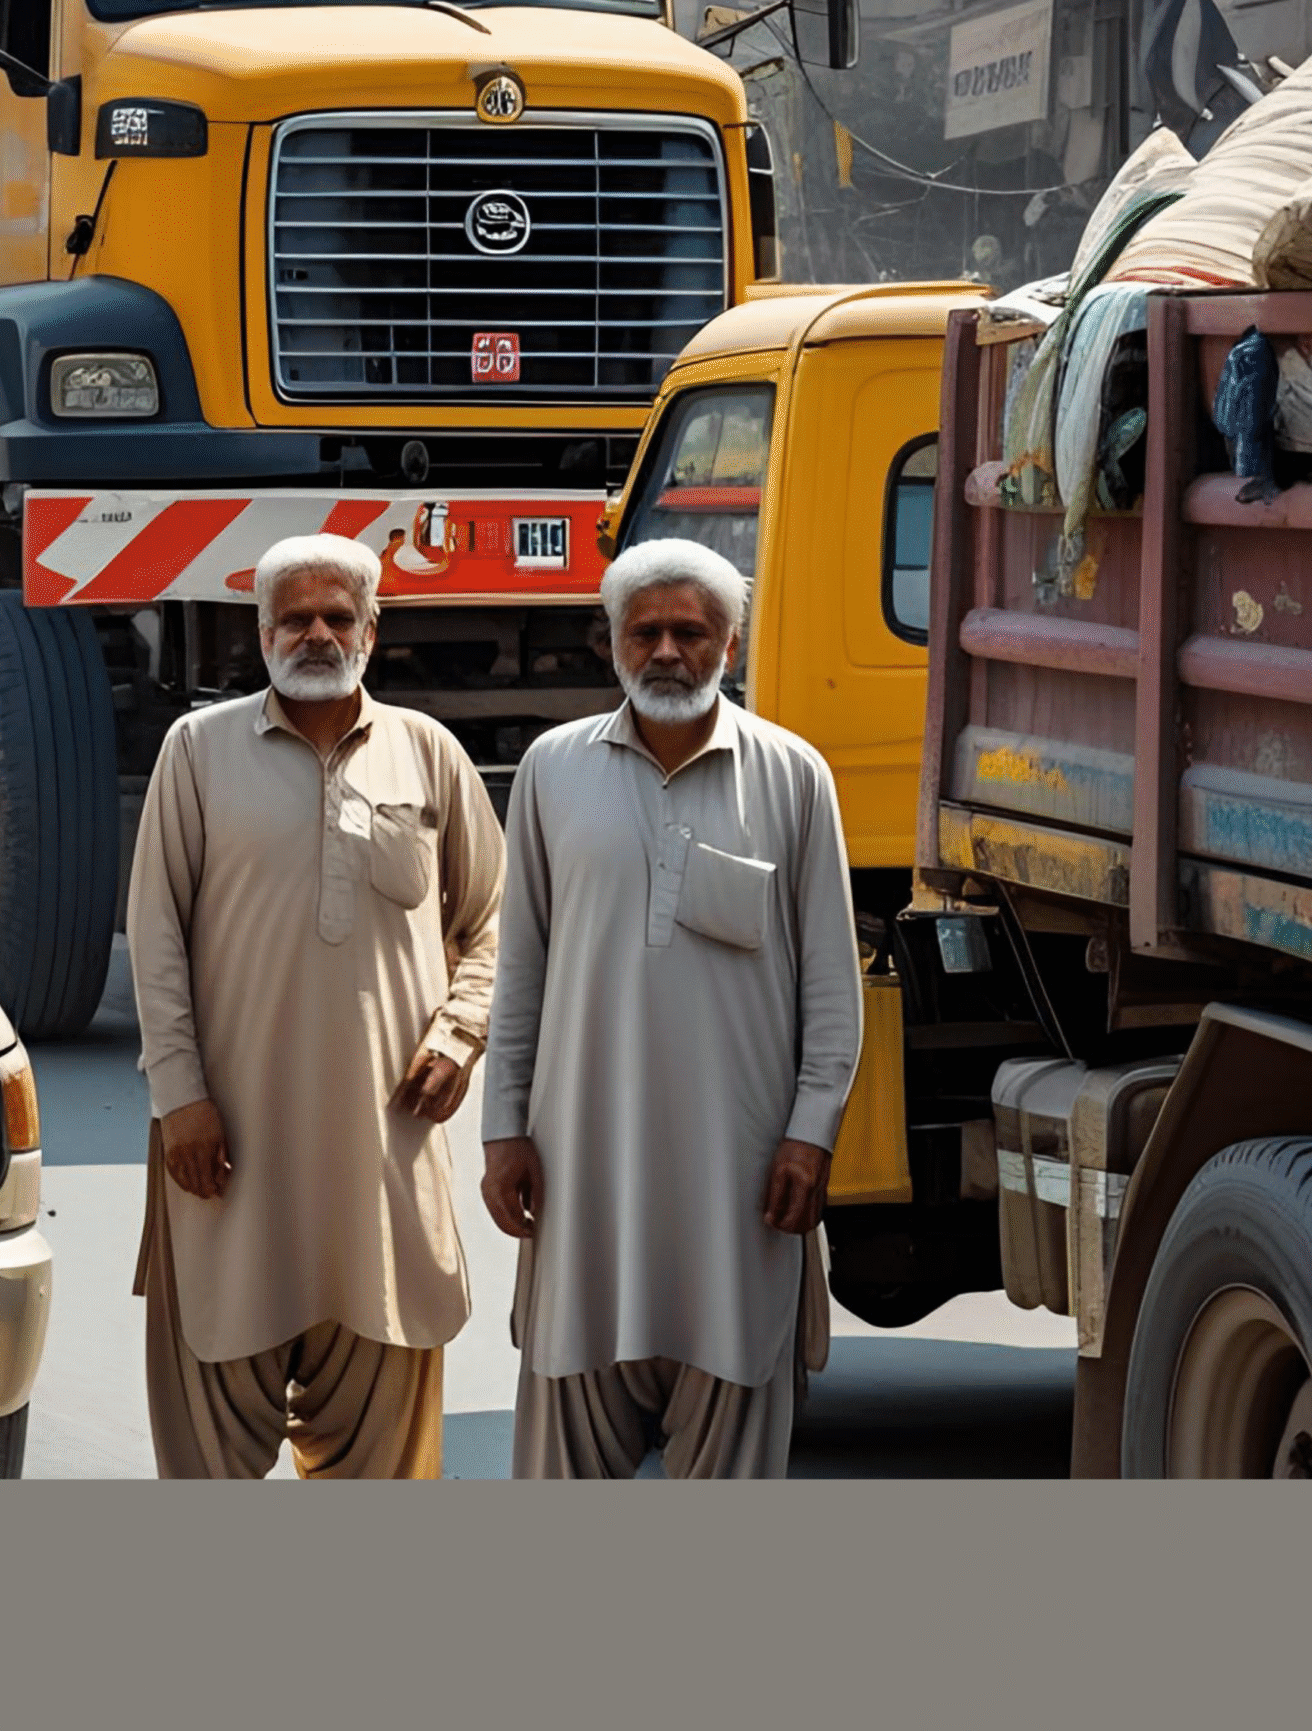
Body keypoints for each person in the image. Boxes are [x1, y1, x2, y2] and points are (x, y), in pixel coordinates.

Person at [480, 536, 863, 1479]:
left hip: (739, 1189)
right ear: (610, 643)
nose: (665, 653)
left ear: (729, 647)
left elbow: (832, 986)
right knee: (566, 1445)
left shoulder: (793, 776)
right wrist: (503, 1131)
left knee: (732, 1436)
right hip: (583, 1178)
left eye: (689, 633)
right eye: (643, 631)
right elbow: (518, 968)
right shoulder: (551, 770)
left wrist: (811, 1136)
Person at [126, 532, 504, 1479]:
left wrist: (460, 1037)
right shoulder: (197, 751)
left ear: (373, 629)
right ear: (261, 632)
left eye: (339, 617)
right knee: (208, 1429)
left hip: (383, 1150)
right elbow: (157, 935)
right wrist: (181, 1098)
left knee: (384, 1438)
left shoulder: (429, 753)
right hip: (228, 1149)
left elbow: (496, 921)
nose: (318, 635)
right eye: (295, 617)